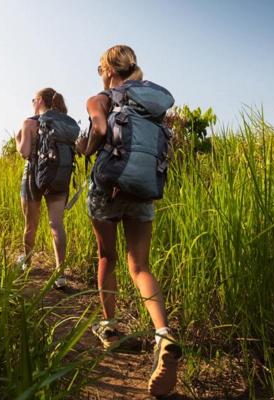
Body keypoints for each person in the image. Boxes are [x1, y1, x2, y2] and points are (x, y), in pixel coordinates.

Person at [76, 45, 182, 396]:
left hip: (108, 189)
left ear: (108, 69)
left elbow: (100, 130)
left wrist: (84, 147)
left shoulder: (102, 97)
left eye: (99, 68)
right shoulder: (150, 103)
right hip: (143, 189)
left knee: (107, 256)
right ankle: (163, 335)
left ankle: (109, 328)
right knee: (141, 266)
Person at [15, 88, 79, 289]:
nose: (33, 102)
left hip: (34, 175)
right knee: (56, 225)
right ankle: (60, 275)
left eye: (33, 99)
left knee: (31, 223)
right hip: (59, 175)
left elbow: (25, 152)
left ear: (40, 100)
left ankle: (27, 260)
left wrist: (18, 140)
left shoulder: (30, 122)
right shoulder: (63, 123)